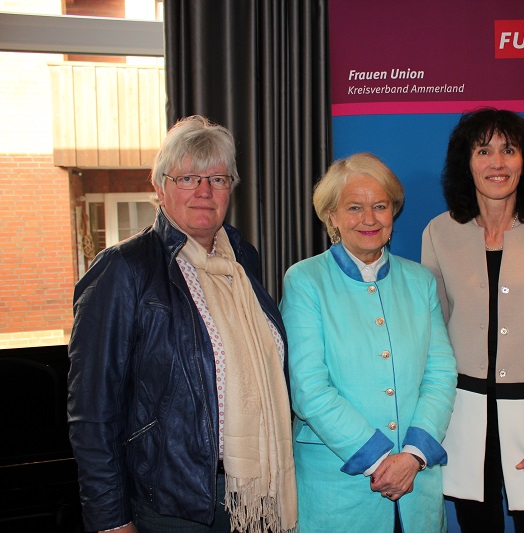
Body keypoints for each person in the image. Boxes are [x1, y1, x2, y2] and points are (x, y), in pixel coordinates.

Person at [67, 116, 297, 533]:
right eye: (188, 177)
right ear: (160, 186)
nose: (204, 192)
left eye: (218, 179)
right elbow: (92, 411)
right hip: (173, 503)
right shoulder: (124, 269)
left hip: (253, 495)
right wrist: (111, 520)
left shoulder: (243, 260)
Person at [421, 108, 524, 532]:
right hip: (463, 422)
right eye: (484, 150)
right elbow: (434, 338)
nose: (497, 162)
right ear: (467, 162)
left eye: (509, 150)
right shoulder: (438, 233)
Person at [280, 152, 457, 532]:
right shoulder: (305, 281)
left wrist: (411, 456)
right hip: (339, 492)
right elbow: (309, 389)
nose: (369, 219)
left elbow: (440, 374)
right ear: (332, 216)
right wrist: (380, 462)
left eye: (380, 206)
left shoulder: (420, 281)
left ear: (393, 212)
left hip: (417, 484)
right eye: (354, 207)